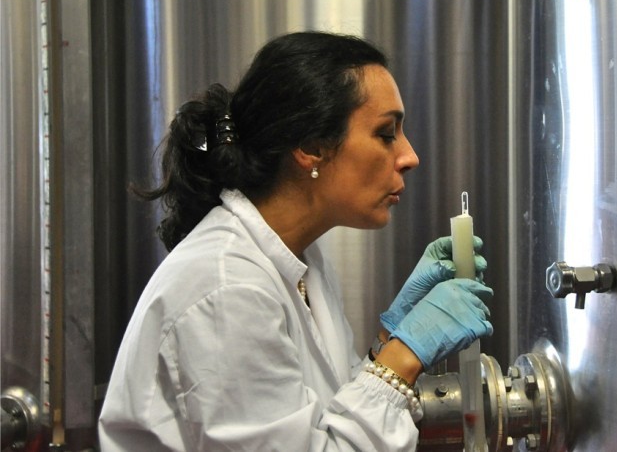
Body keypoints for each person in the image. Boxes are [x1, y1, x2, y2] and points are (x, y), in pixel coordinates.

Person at [98, 31, 493, 451]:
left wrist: (387, 341)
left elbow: (328, 417)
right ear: (310, 147)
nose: (409, 156)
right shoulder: (227, 289)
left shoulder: (301, 260)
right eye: (385, 133)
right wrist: (405, 356)